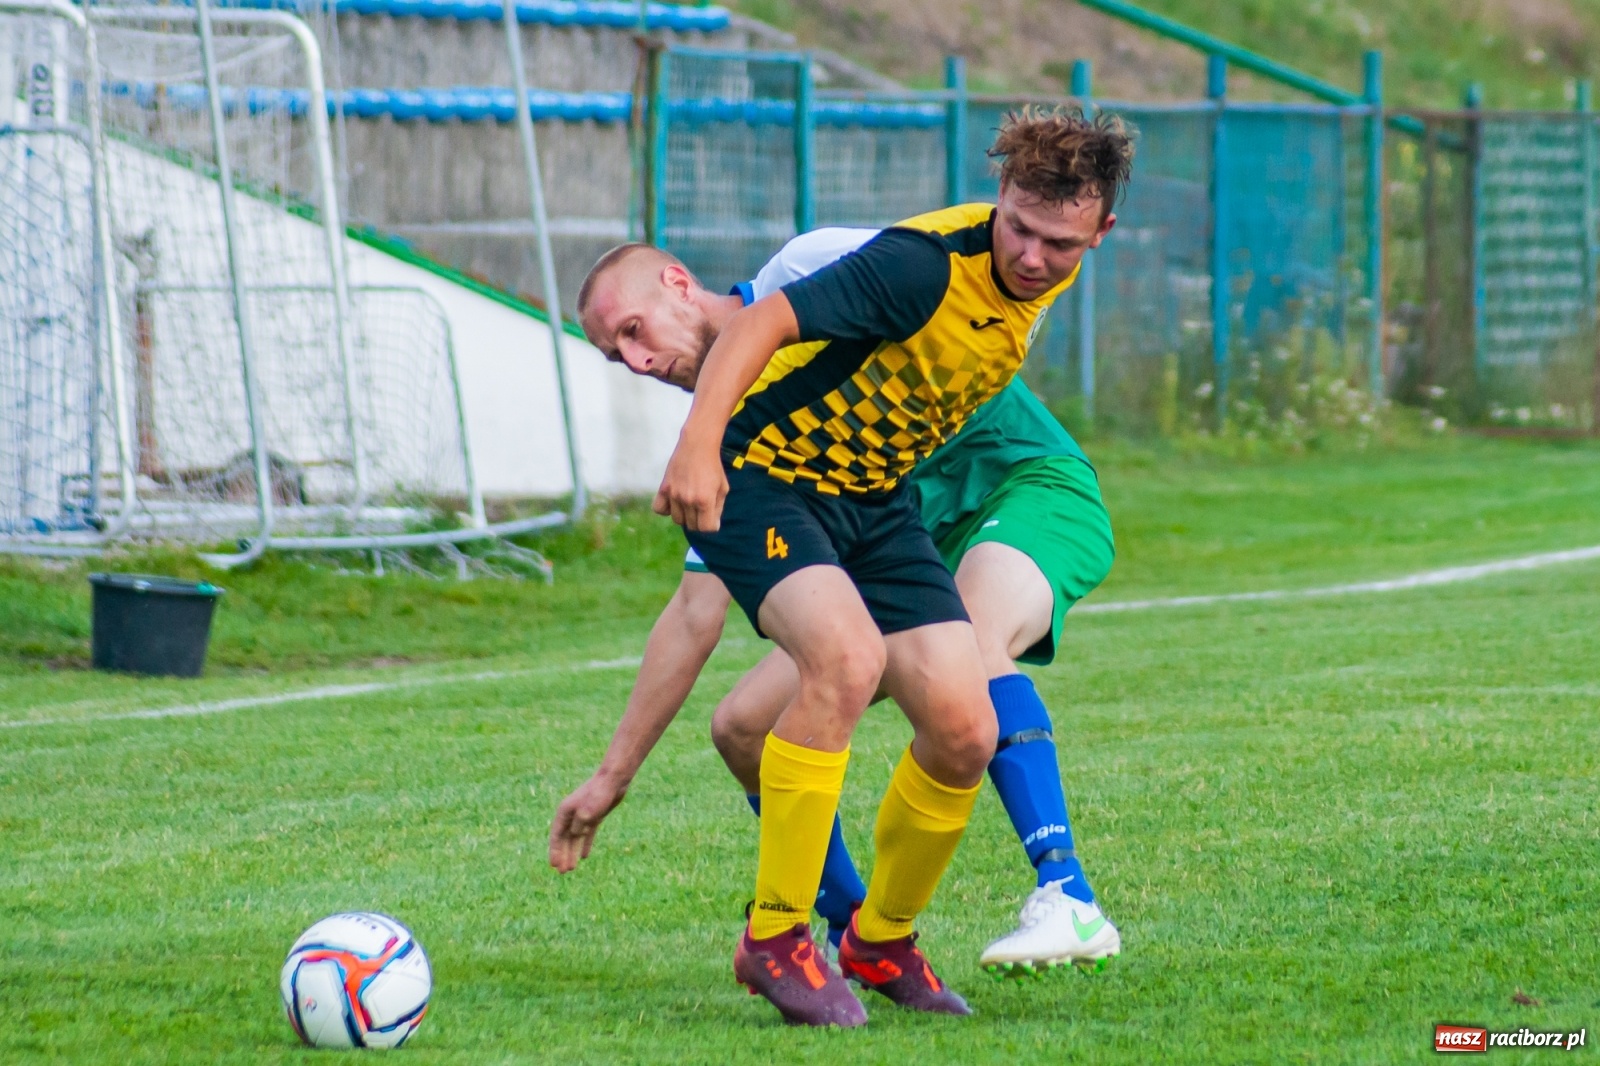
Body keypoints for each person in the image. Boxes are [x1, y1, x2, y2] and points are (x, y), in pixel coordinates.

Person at [554, 108, 1132, 1027]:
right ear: (999, 201)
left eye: (1057, 242)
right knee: (843, 662)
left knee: (962, 725)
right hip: (767, 480)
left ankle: (879, 939)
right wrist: (700, 448)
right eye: (1018, 228)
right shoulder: (919, 265)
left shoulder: (1032, 277)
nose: (1030, 254)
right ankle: (777, 937)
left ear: (1100, 234)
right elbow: (765, 325)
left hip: (877, 500)